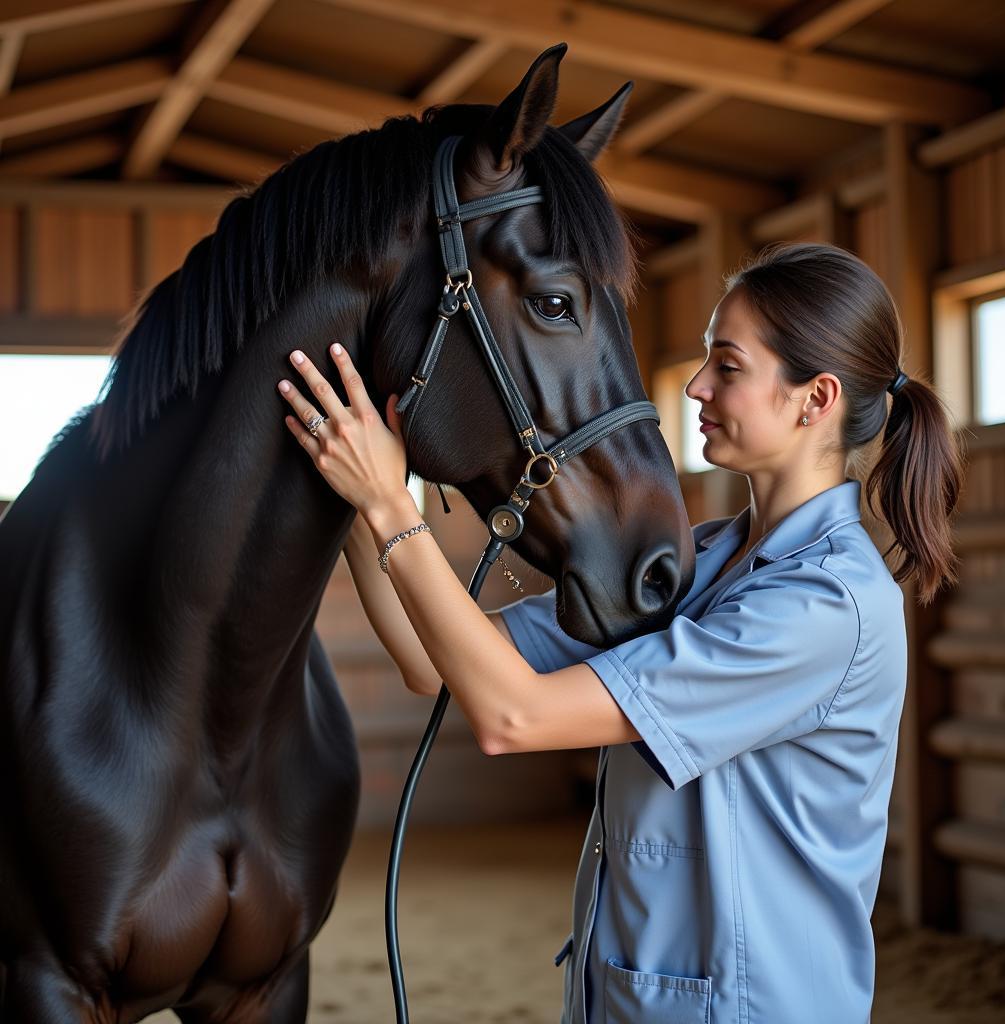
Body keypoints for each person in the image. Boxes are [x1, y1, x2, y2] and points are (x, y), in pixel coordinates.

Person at [275, 241, 965, 1024]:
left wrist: (395, 513)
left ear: (816, 399)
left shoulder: (823, 605)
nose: (698, 386)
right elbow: (437, 666)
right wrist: (365, 502)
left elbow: (514, 717)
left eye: (728, 367)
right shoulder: (704, 559)